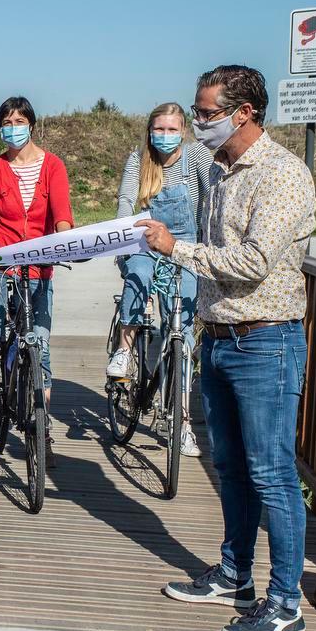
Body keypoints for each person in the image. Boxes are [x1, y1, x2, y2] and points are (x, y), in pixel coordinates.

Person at [141, 65, 316, 631]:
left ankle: (286, 603)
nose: (197, 123)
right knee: (232, 467)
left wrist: (177, 248)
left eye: (208, 112)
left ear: (244, 113)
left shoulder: (282, 174)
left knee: (273, 474)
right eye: (197, 111)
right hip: (218, 337)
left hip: (267, 341)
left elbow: (252, 262)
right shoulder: (216, 171)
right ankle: (235, 571)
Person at [107, 102, 213, 457]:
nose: (164, 136)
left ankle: (181, 422)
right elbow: (125, 200)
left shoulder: (197, 158)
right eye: (159, 129)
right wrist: (123, 240)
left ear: (182, 130)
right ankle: (124, 351)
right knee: (136, 276)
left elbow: (211, 203)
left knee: (180, 330)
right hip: (144, 240)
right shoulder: (140, 160)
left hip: (184, 246)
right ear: (150, 130)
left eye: (171, 129)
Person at [0, 96, 73, 413]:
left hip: (38, 267)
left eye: (19, 122)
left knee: (40, 344)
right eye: (6, 123)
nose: (13, 129)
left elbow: (62, 215)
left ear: (31, 125)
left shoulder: (53, 165)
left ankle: (42, 423)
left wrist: (63, 241)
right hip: (0, 264)